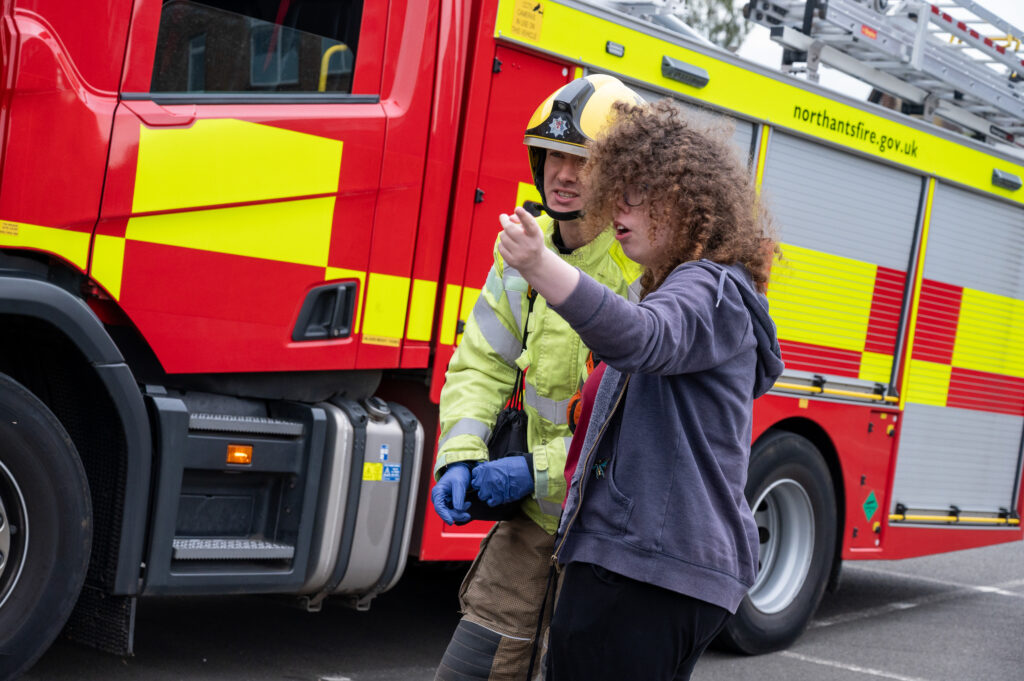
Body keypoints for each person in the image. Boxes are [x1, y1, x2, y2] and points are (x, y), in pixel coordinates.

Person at [497, 99, 785, 681]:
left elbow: (643, 338)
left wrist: (540, 266)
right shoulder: (688, 288)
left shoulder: (709, 285)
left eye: (637, 193)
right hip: (650, 570)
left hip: (646, 573)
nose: (618, 208)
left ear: (686, 202)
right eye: (615, 192)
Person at [429, 75, 644, 681]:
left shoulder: (643, 275)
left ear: (623, 173)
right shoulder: (524, 252)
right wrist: (461, 456)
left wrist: (533, 470)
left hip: (605, 539)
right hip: (533, 524)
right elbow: (480, 363)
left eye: (584, 158)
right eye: (553, 154)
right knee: (471, 669)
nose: (563, 172)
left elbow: (636, 427)